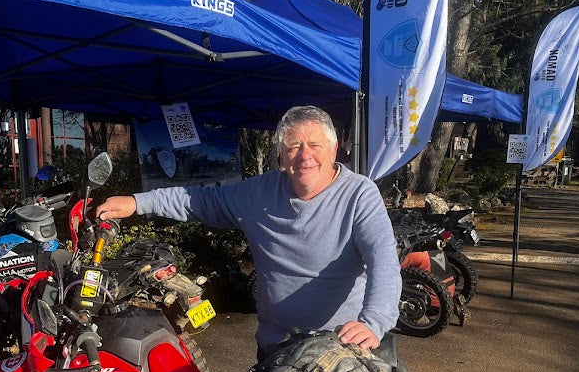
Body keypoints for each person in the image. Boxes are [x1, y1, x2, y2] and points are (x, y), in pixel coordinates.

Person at [96, 105, 402, 358]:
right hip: (277, 350)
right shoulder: (258, 194)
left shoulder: (360, 194)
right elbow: (198, 200)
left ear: (334, 149)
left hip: (341, 352)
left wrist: (373, 323)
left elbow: (383, 263)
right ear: (282, 155)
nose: (305, 156)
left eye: (315, 145)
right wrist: (137, 202)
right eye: (293, 146)